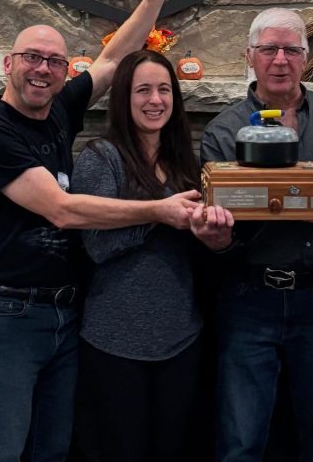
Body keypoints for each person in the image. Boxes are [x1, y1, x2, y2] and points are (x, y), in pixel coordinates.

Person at [0, 0, 200, 462]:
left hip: (63, 313)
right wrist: (160, 208)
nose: (43, 69)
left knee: (52, 450)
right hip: (3, 315)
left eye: (54, 61)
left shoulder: (58, 109)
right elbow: (63, 210)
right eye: (32, 58)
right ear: (8, 64)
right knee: (0, 450)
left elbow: (114, 61)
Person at [200, 7, 313, 462]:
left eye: (291, 50)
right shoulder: (224, 129)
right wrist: (218, 237)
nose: (280, 59)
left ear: (305, 57)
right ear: (250, 56)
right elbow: (215, 215)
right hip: (248, 297)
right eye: (269, 49)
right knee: (240, 442)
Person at [70, 49, 233, 462]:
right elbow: (96, 246)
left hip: (181, 336)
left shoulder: (184, 162)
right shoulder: (99, 159)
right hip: (114, 340)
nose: (155, 100)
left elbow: (203, 253)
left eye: (164, 89)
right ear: (123, 98)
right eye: (143, 90)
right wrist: (161, 214)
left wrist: (215, 238)